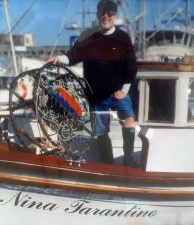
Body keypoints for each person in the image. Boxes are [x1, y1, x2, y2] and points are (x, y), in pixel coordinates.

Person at [46, 0, 138, 167]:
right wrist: (58, 59)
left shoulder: (123, 39)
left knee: (129, 120)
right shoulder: (89, 38)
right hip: (96, 96)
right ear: (98, 16)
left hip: (118, 94)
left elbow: (131, 67)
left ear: (114, 16)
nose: (106, 16)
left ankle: (129, 159)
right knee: (101, 133)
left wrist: (124, 90)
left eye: (109, 13)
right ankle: (109, 165)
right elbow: (73, 56)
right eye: (102, 13)